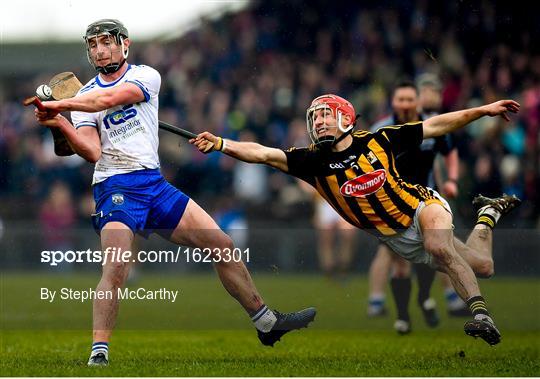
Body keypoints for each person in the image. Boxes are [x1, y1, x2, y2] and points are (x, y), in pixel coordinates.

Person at [34, 19, 316, 367]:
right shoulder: (83, 97)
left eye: (106, 42)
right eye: (93, 45)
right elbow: (91, 151)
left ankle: (266, 323)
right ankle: (99, 352)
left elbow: (111, 97)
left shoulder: (144, 76)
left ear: (125, 45)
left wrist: (65, 106)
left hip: (153, 184)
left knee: (222, 245)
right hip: (115, 185)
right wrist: (58, 122)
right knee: (117, 264)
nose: (100, 49)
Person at [191, 94, 521, 346]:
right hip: (397, 238)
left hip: (423, 206)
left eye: (325, 116)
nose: (318, 123)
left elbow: (435, 125)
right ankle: (487, 216)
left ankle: (482, 316)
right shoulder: (311, 162)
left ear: (346, 118)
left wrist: (483, 109)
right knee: (482, 266)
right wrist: (221, 143)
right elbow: (262, 153)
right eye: (315, 118)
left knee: (439, 246)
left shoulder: (380, 139)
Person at [366, 79, 466, 335]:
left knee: (430, 257)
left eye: (410, 99)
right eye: (401, 99)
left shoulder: (430, 126)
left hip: (426, 202)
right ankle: (402, 317)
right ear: (393, 101)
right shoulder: (381, 128)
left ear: (417, 101)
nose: (406, 104)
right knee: (399, 261)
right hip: (392, 205)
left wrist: (452, 180)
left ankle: (424, 297)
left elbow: (450, 150)